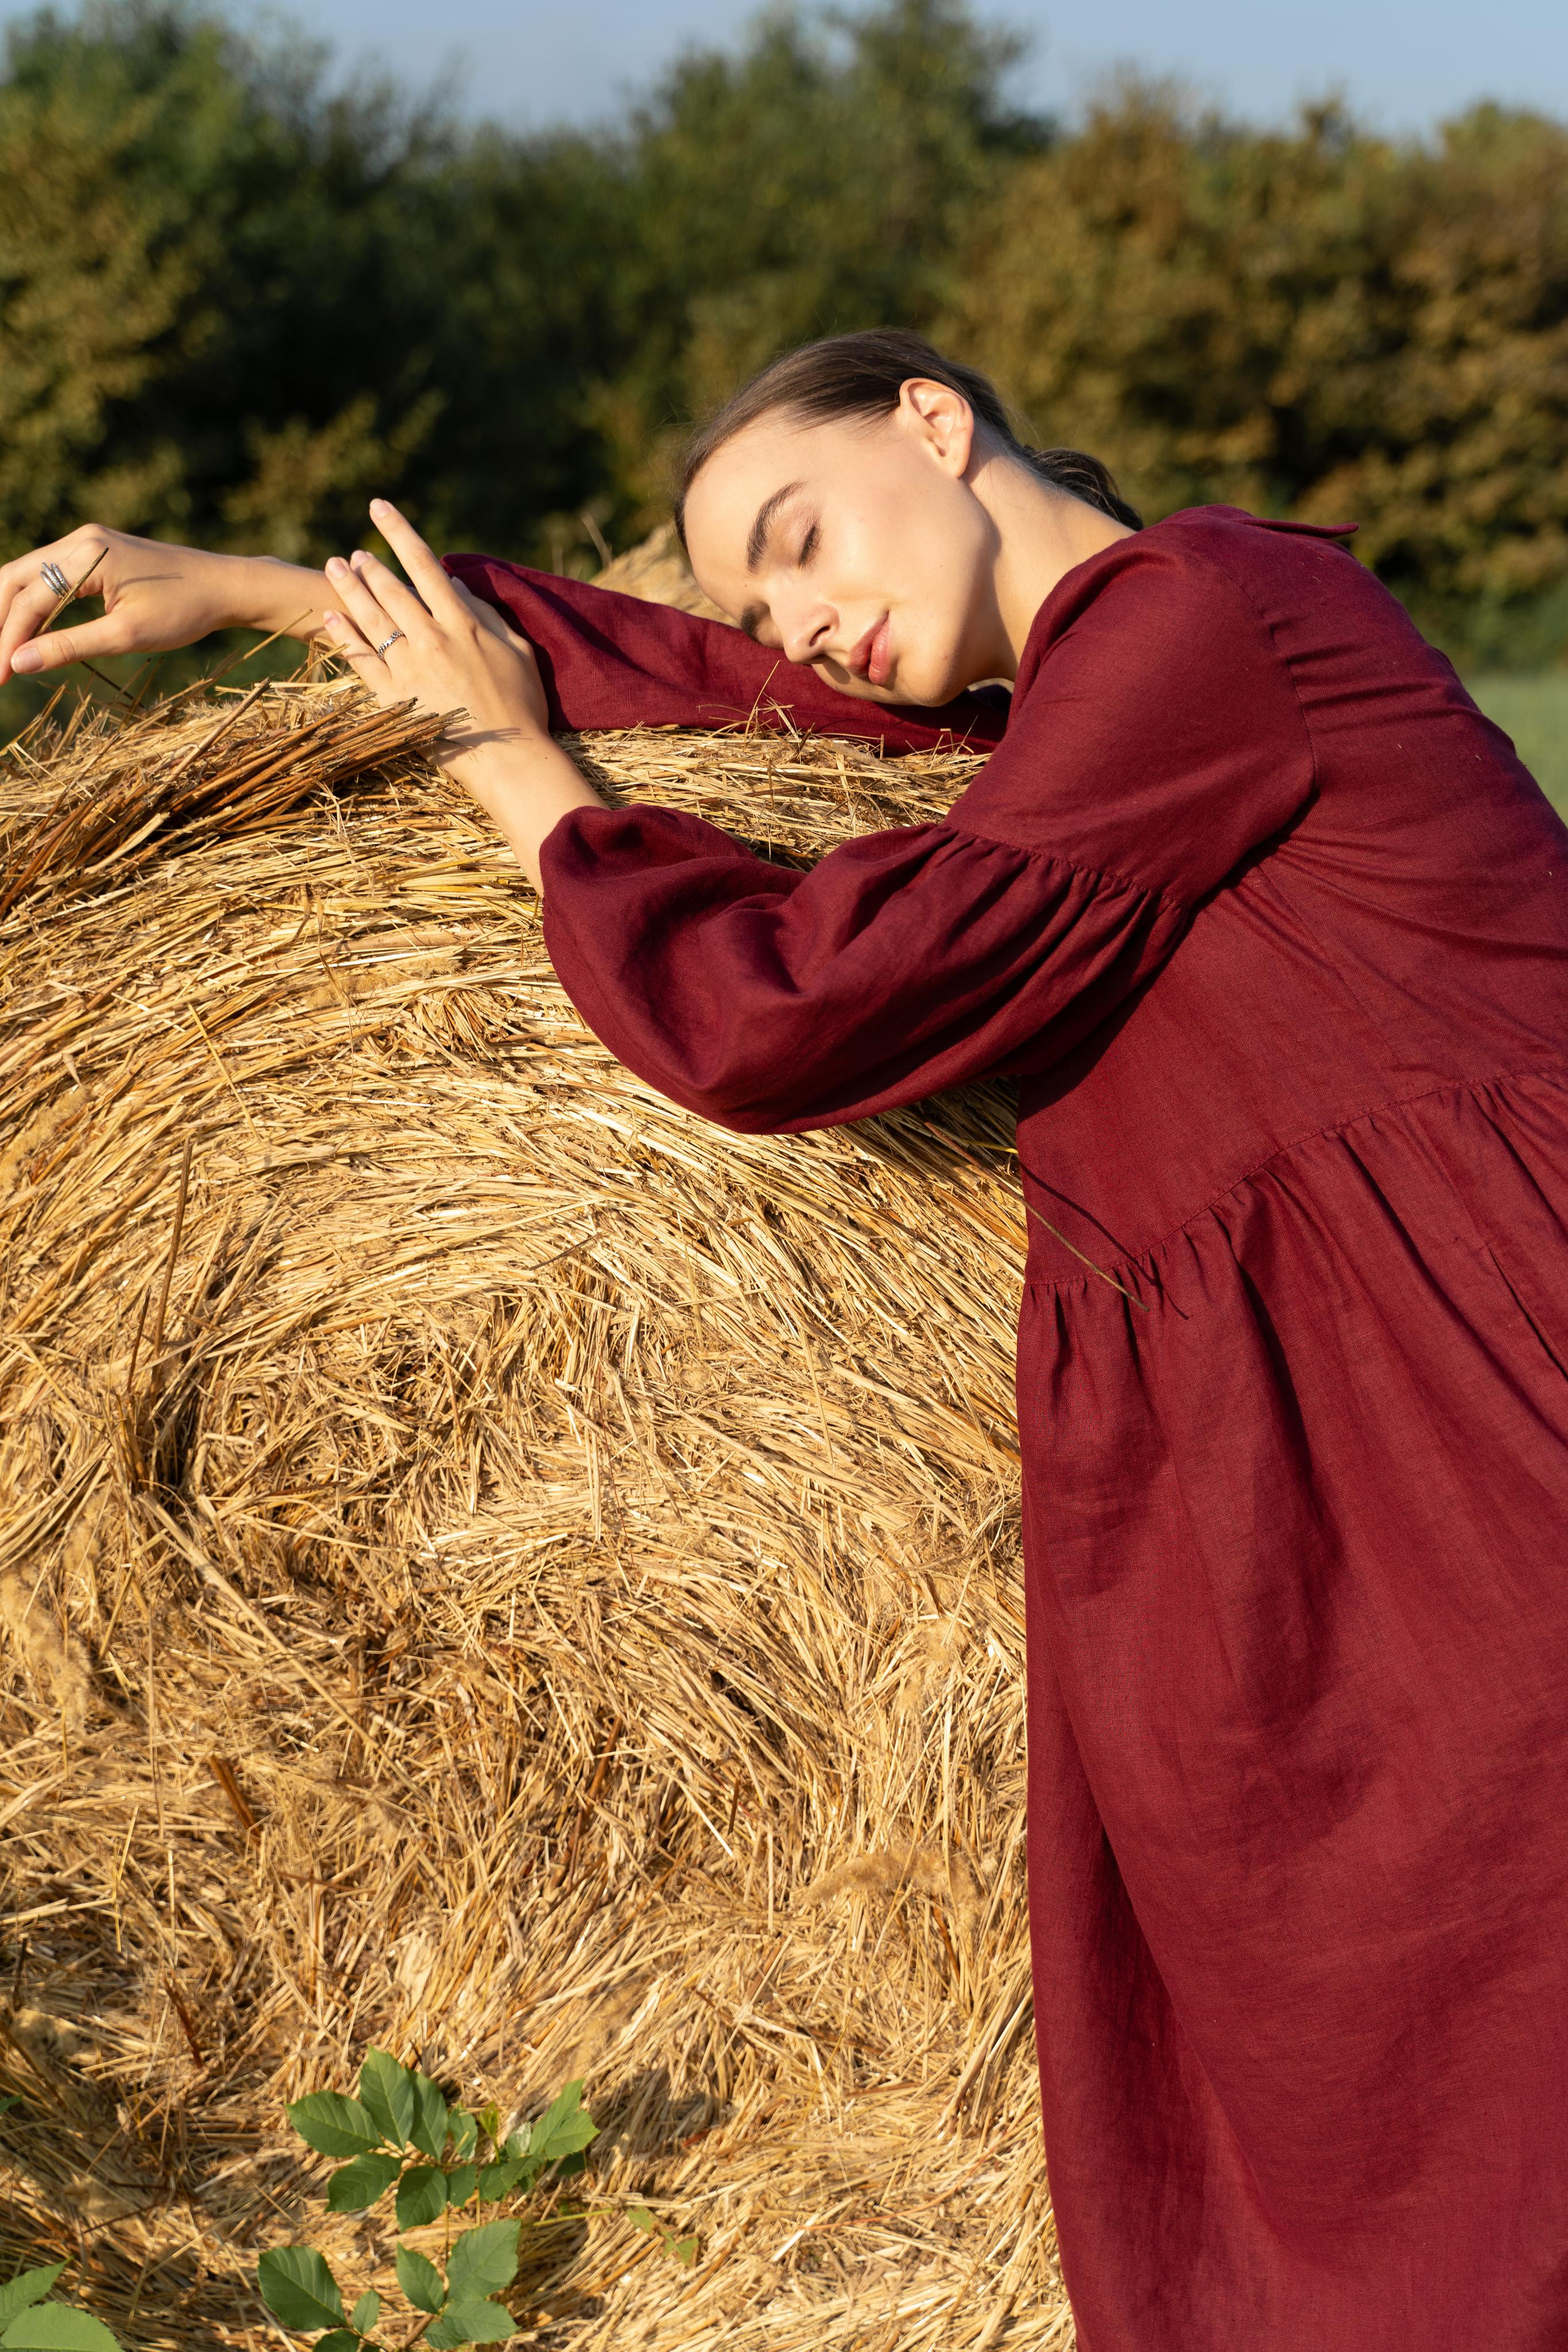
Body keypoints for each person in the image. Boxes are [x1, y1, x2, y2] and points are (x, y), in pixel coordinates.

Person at [4, 328, 1568, 2350]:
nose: (810, 621)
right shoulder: (1061, 716)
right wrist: (275, 596)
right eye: (767, 594)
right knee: (1365, 2054)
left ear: (939, 417)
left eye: (805, 535)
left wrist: (503, 768)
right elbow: (743, 709)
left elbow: (788, 1011)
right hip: (1311, 1418)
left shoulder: (1209, 612)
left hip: (1473, 1358)